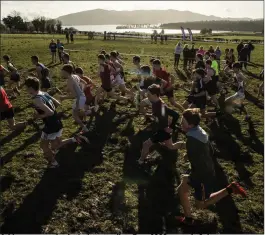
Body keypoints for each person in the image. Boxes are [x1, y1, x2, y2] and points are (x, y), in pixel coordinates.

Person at [176, 108, 247, 225]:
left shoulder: (192, 141)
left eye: (183, 122)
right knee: (181, 190)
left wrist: (190, 175)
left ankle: (230, 189)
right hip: (202, 170)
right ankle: (188, 219)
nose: (180, 124)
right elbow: (211, 150)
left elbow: (198, 161)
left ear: (191, 124)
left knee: (200, 205)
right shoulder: (200, 131)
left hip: (202, 175)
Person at [24, 77, 88, 168]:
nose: (25, 89)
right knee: (56, 145)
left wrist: (38, 116)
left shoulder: (36, 99)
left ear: (30, 88)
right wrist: (41, 111)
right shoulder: (44, 93)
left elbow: (50, 112)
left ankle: (53, 163)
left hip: (50, 126)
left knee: (43, 146)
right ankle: (75, 139)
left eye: (26, 87)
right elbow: (57, 103)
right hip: (57, 121)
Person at [138, 84, 185, 164]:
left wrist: (171, 127)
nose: (147, 95)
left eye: (148, 94)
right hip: (162, 129)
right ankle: (187, 145)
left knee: (146, 144)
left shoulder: (161, 106)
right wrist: (151, 115)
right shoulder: (154, 102)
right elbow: (161, 115)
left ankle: (141, 161)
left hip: (163, 131)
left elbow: (176, 115)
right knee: (170, 146)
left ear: (155, 95)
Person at [59, 64, 89, 133]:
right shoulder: (75, 76)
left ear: (66, 72)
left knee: (74, 115)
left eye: (62, 71)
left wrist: (63, 97)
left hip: (79, 99)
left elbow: (74, 95)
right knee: (78, 112)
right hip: (82, 96)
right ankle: (85, 120)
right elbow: (84, 82)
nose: (61, 73)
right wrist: (80, 90)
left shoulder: (69, 80)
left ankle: (85, 128)